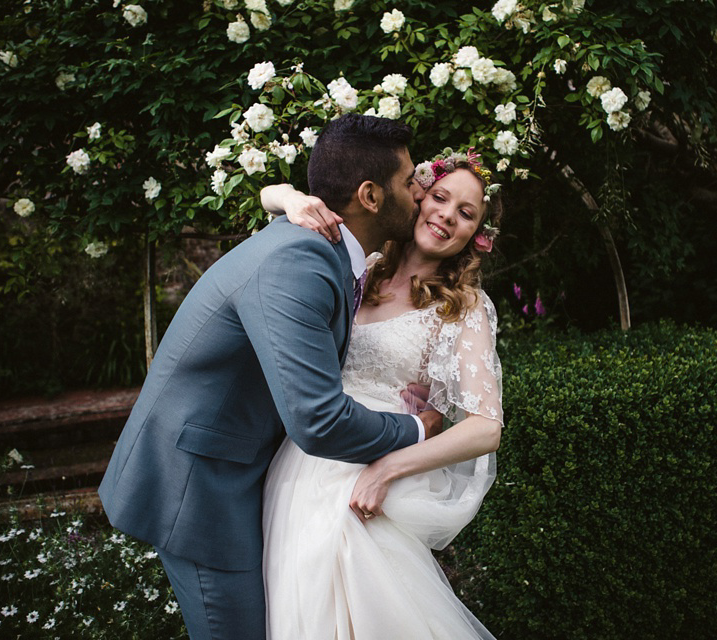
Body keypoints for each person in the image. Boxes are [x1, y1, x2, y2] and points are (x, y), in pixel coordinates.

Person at [98, 114, 445, 640]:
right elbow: (320, 421)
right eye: (409, 180)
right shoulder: (300, 262)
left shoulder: (318, 242)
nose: (420, 192)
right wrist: (419, 428)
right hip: (197, 486)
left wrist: (279, 194)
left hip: (234, 467)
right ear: (370, 196)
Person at [259, 148, 504, 639]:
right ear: (417, 197)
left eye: (465, 213)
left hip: (370, 474)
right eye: (439, 198)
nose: (446, 216)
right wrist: (290, 197)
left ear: (476, 235)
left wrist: (387, 468)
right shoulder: (360, 267)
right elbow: (267, 198)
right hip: (302, 463)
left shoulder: (465, 307)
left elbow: (485, 428)